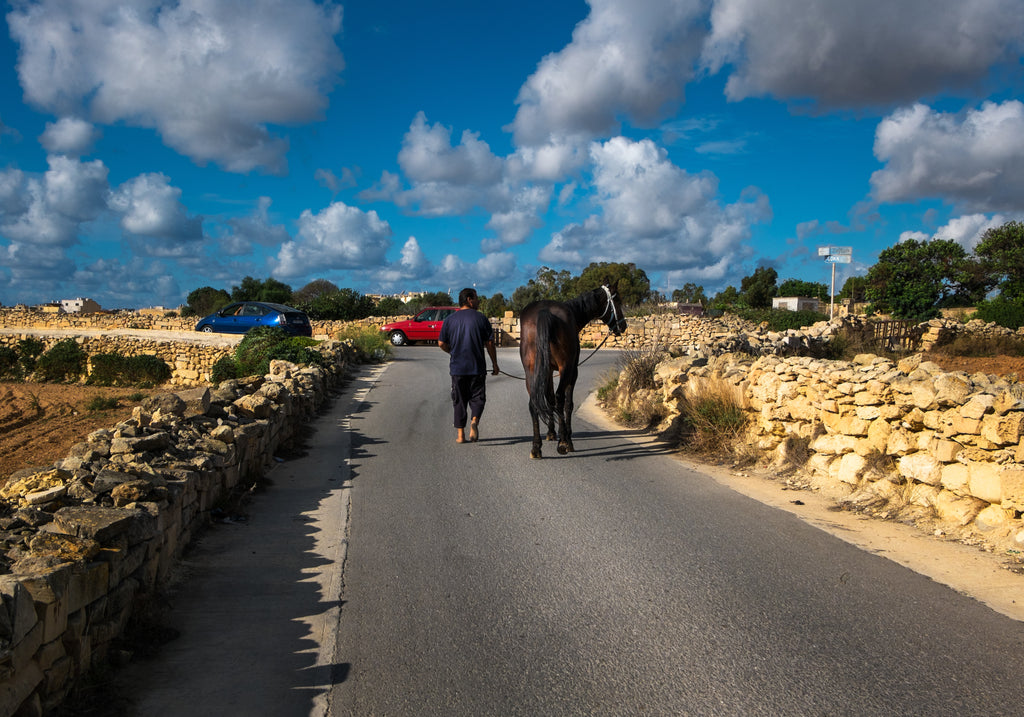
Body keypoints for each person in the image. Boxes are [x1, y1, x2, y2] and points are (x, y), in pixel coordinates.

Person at [438, 288, 499, 443]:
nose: (478, 301)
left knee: (459, 400)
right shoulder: (481, 318)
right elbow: (490, 343)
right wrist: (495, 363)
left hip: (457, 367)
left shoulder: (449, 320)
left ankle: (460, 436)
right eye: (477, 298)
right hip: (477, 366)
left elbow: (441, 343)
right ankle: (474, 421)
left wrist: (453, 351)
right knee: (478, 397)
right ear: (470, 299)